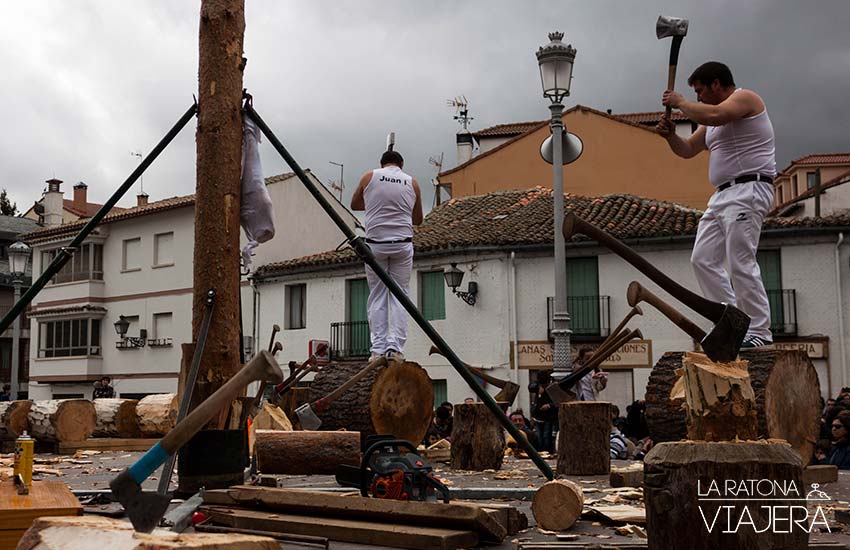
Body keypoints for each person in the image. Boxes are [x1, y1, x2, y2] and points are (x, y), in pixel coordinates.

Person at [657, 61, 776, 349]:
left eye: (700, 91)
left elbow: (717, 114)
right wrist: (671, 135)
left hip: (749, 188)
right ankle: (732, 322)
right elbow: (686, 150)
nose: (697, 97)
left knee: (740, 261)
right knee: (702, 259)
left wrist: (680, 102)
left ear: (716, 84)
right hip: (722, 196)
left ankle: (760, 330)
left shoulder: (746, 99)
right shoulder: (710, 124)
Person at [351, 149, 423, 362]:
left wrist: (374, 201)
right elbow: (418, 219)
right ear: (401, 164)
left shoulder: (369, 176)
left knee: (377, 295)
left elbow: (355, 205)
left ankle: (378, 349)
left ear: (381, 164)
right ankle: (396, 348)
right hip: (402, 245)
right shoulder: (413, 183)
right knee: (400, 295)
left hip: (375, 246)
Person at [531, 372, 558, 453]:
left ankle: (547, 451)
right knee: (539, 436)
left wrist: (549, 405)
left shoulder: (553, 387)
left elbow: (557, 402)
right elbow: (530, 387)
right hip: (538, 416)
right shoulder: (538, 386)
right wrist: (537, 387)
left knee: (547, 436)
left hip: (548, 417)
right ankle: (541, 451)